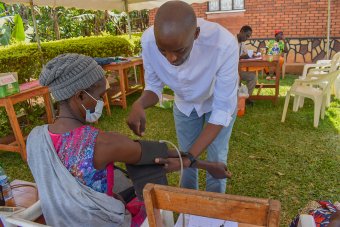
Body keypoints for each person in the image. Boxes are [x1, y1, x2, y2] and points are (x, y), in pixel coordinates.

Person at [26, 54, 231, 227]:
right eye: (100, 95)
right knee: (148, 206)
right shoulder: (103, 143)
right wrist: (208, 165)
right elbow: (156, 156)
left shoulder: (35, 139)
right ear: (80, 96)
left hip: (59, 220)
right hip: (103, 222)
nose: (102, 101)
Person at [127, 1, 238, 193]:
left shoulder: (224, 44)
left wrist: (191, 157)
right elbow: (154, 87)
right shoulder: (148, 41)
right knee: (183, 157)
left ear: (196, 34)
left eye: (179, 50)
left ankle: (214, 214)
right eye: (163, 51)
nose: (170, 59)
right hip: (184, 105)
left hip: (216, 103)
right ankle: (189, 208)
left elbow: (221, 110)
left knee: (216, 159)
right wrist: (139, 104)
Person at [237, 25, 257, 106]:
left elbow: (245, 53)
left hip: (238, 70)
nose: (247, 38)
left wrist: (250, 55)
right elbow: (229, 58)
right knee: (237, 79)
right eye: (247, 36)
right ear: (241, 32)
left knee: (253, 77)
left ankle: (245, 99)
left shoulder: (242, 43)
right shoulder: (232, 41)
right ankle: (239, 101)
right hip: (230, 70)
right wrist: (242, 56)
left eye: (248, 37)